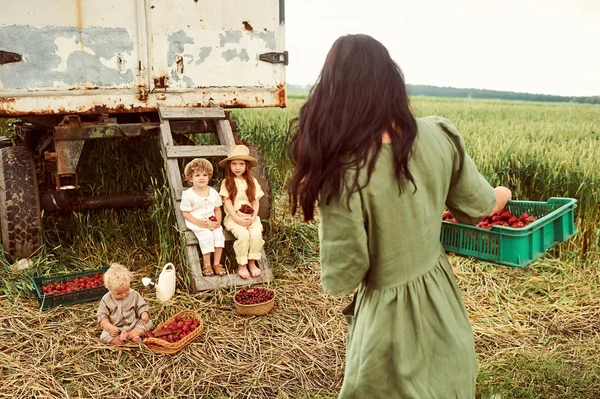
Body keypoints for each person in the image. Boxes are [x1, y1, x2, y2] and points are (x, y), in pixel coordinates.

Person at [287, 34, 512, 398]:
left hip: (386, 332)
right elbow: (479, 207)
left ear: (335, 92)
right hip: (443, 309)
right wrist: (504, 195)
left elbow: (344, 275)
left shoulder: (344, 173)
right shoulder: (439, 135)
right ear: (390, 81)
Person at [219, 145, 265, 279]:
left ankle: (252, 262)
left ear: (246, 166)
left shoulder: (252, 181)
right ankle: (242, 264)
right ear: (229, 165)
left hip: (251, 217)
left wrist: (253, 217)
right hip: (233, 217)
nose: (237, 167)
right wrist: (237, 218)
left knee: (256, 233)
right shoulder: (227, 182)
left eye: (241, 164)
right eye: (234, 164)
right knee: (244, 235)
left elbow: (256, 201)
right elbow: (227, 202)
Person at [180, 158, 226, 276]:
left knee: (218, 234)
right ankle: (207, 264)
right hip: (196, 221)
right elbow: (185, 212)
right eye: (197, 175)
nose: (202, 177)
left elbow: (217, 208)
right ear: (190, 178)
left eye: (205, 175)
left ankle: (216, 263)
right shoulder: (189, 194)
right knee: (206, 236)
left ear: (209, 177)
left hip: (211, 220)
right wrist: (198, 222)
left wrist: (218, 222)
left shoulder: (213, 192)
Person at [97, 263, 154, 345]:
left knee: (149, 323)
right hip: (116, 328)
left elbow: (141, 306)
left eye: (127, 291)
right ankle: (129, 339)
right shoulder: (106, 299)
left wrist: (144, 314)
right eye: (119, 293)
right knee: (104, 337)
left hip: (133, 324)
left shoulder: (134, 294)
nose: (124, 295)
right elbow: (102, 316)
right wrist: (109, 327)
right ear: (109, 289)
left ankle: (128, 336)